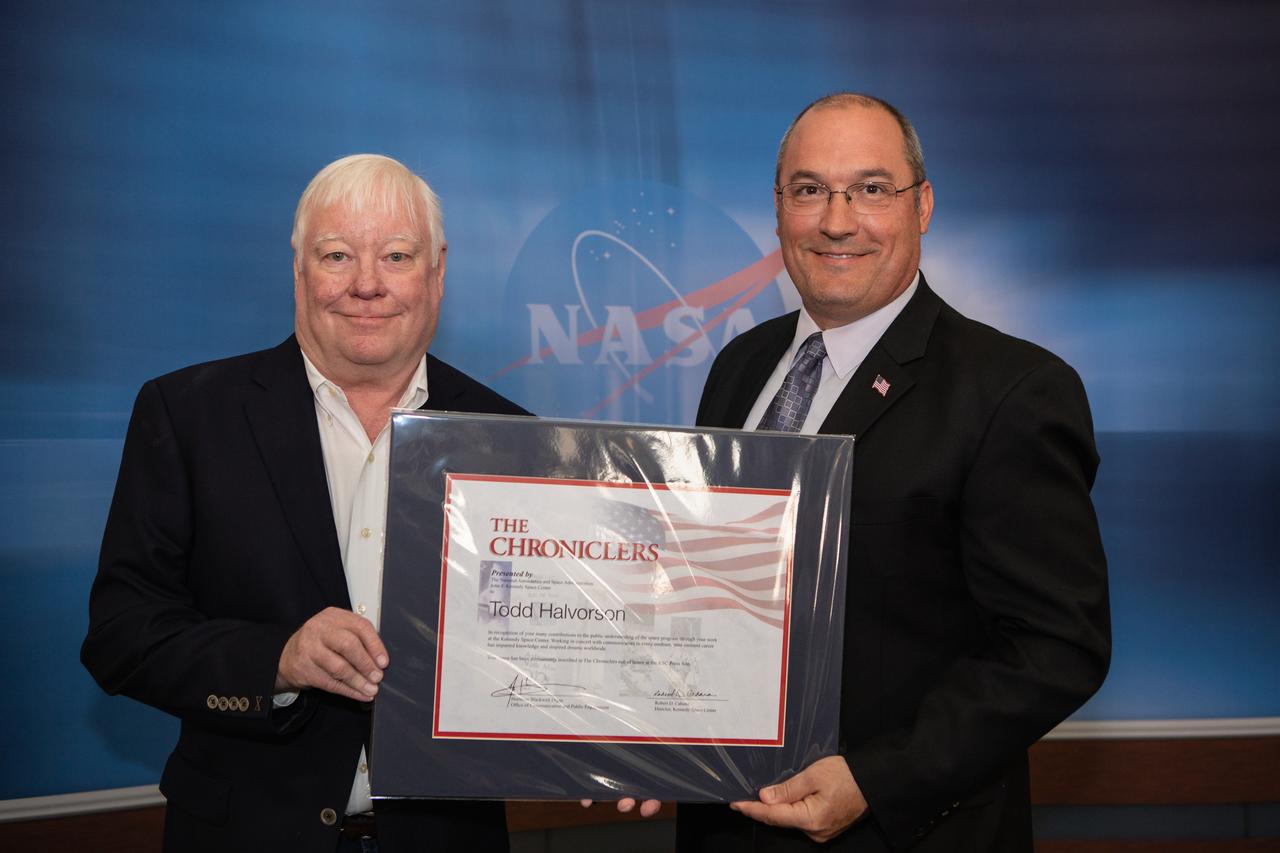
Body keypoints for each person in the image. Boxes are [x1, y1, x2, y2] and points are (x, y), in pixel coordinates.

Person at [676, 94, 1111, 851]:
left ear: (923, 206)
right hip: (723, 822)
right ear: (778, 209)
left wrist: (879, 778)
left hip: (899, 833)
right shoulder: (740, 367)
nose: (837, 220)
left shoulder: (1011, 389)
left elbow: (1056, 647)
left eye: (872, 189)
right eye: (809, 189)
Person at [82, 154, 525, 852]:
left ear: (438, 272)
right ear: (299, 269)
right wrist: (278, 658)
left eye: (397, 255)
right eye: (338, 255)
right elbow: (121, 634)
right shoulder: (189, 415)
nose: (367, 284)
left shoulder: (511, 438)